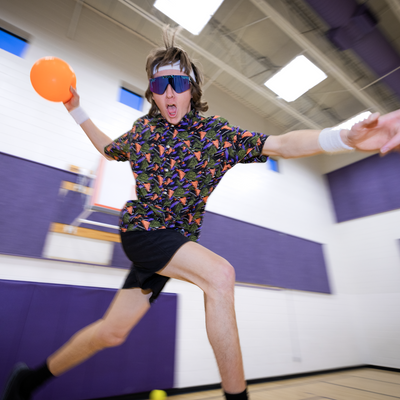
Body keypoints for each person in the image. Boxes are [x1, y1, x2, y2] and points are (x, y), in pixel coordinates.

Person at [2, 29, 400, 400]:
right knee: (220, 275)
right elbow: (109, 150)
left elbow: (279, 144)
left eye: (179, 83)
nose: (170, 93)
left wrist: (343, 137)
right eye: (160, 86)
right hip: (143, 230)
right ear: (153, 93)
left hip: (173, 243)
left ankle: (28, 380)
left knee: (112, 332)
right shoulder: (144, 132)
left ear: (192, 88)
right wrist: (76, 109)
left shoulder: (217, 135)